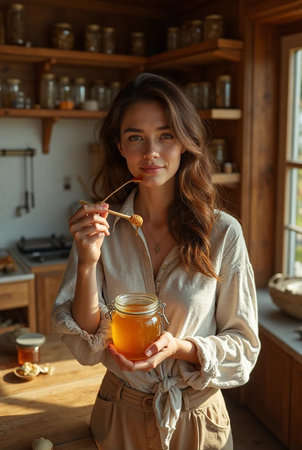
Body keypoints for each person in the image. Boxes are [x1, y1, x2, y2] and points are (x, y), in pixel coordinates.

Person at [52, 72, 260, 450]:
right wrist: (86, 263)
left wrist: (181, 348)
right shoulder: (99, 229)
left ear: (184, 143)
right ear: (120, 146)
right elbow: (86, 347)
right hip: (119, 415)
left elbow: (244, 345)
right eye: (136, 137)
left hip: (198, 420)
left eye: (165, 136)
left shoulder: (224, 233)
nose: (151, 152)